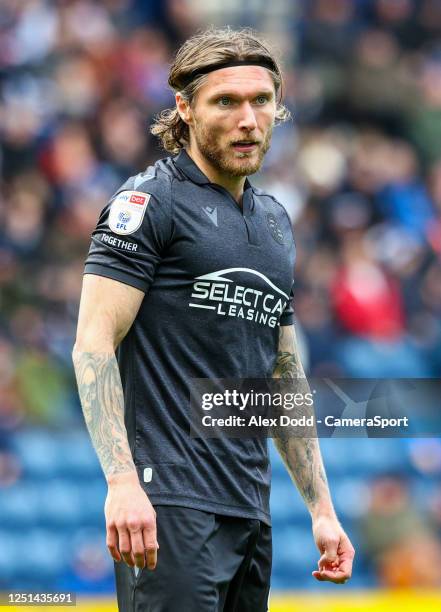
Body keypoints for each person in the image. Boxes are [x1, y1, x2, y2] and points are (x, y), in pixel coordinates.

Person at [72, 26, 354, 612]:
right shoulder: (149, 202)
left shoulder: (276, 221)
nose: (248, 118)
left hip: (249, 509)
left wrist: (321, 510)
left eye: (261, 101)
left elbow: (281, 375)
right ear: (185, 108)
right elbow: (93, 344)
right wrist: (121, 481)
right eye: (226, 101)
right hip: (168, 506)